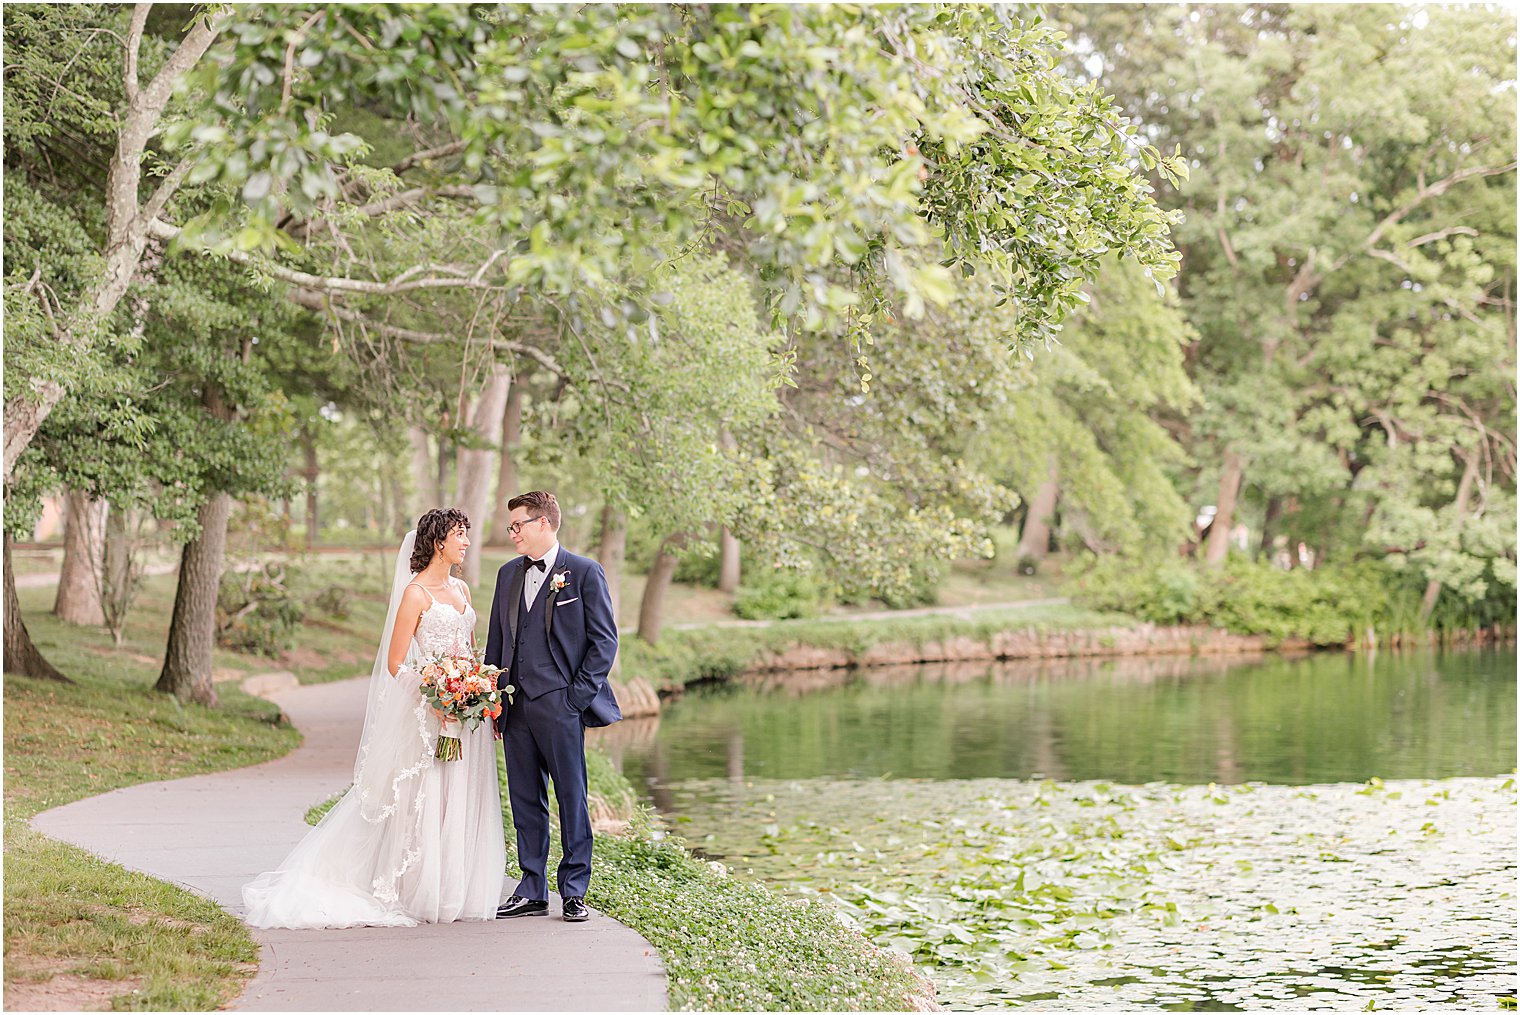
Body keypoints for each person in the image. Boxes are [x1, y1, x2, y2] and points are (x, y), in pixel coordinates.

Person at [242, 509, 505, 929]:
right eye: (459, 535)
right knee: (425, 796)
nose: (467, 543)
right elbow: (396, 663)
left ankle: (454, 888)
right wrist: (436, 694)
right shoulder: (416, 594)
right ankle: (414, 887)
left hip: (465, 713)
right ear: (439, 542)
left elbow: (469, 651)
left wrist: (475, 688)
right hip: (430, 711)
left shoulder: (463, 590)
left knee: (459, 794)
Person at [487, 491, 621, 923]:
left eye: (518, 526)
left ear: (544, 523)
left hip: (560, 705)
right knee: (525, 799)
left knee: (571, 797)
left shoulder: (582, 573)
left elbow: (604, 642)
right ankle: (531, 888)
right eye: (511, 527)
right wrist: (493, 700)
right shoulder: (507, 575)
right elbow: (496, 641)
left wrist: (574, 698)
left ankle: (574, 890)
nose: (512, 534)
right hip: (515, 705)